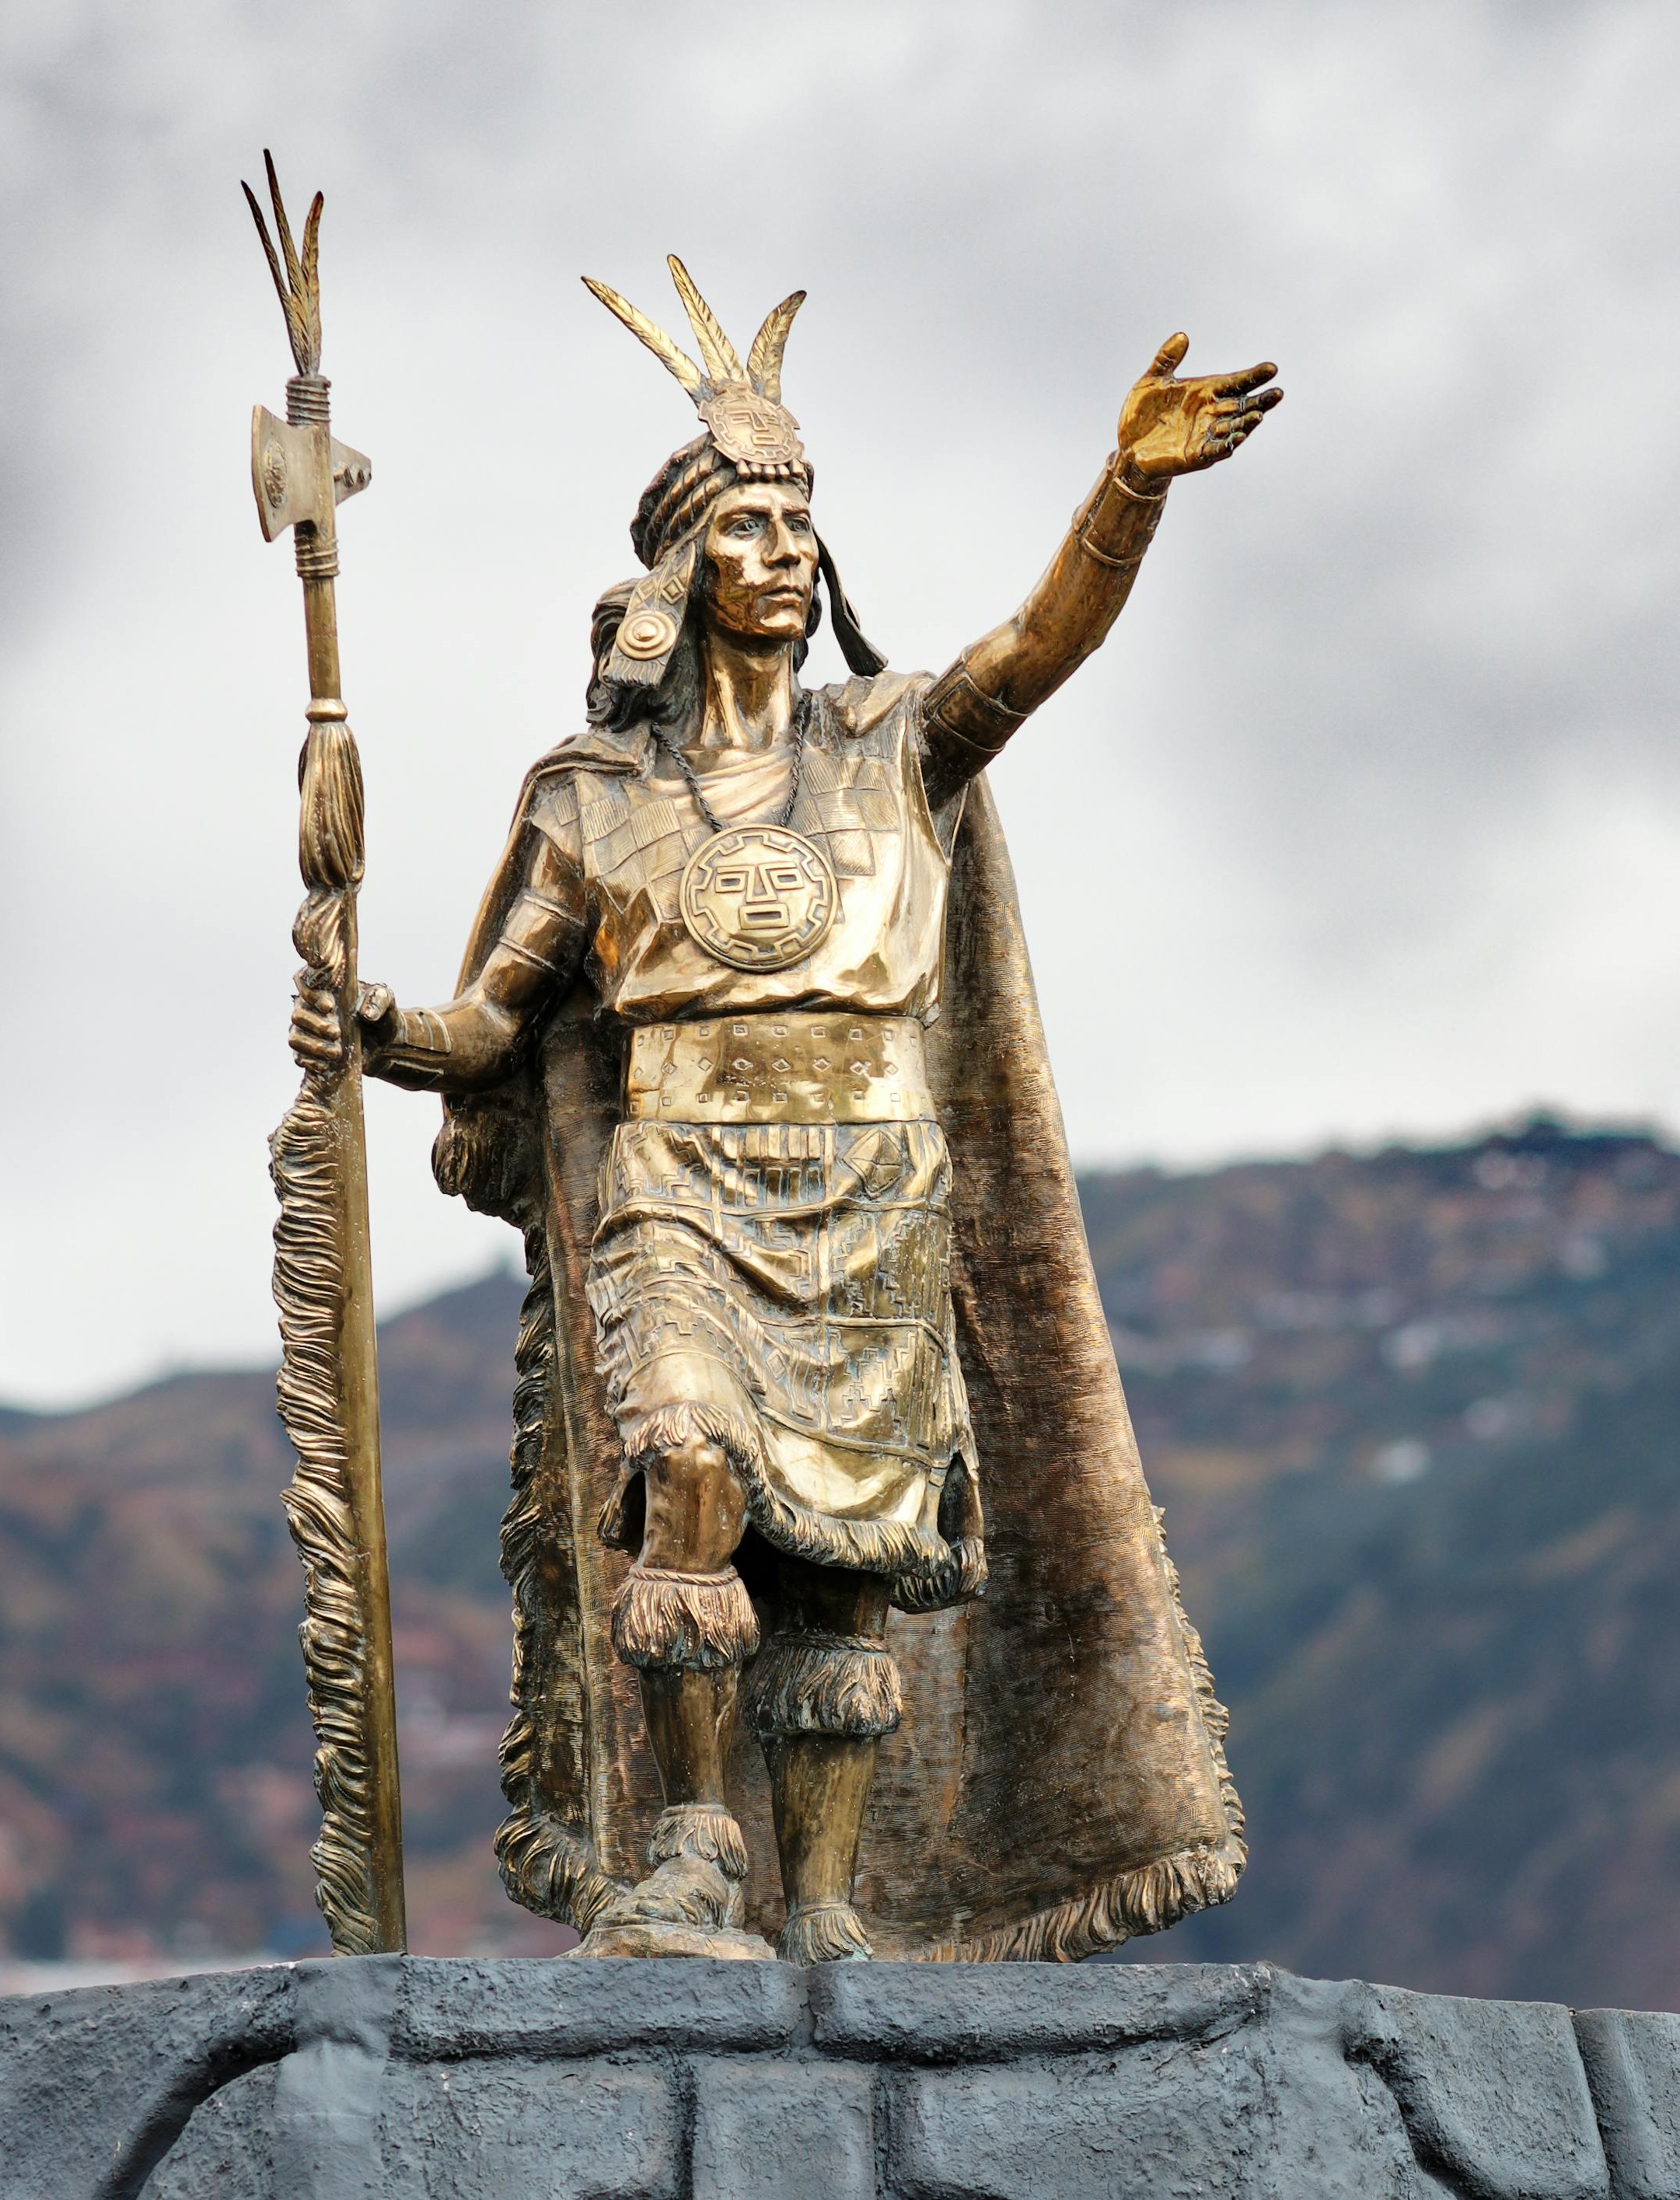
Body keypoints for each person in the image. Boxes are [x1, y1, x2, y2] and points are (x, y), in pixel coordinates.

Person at [304, 264, 1277, 1961]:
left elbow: (1037, 652)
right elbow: (495, 1024)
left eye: (799, 526)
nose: (784, 555)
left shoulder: (894, 743)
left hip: (872, 1177)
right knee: (686, 1465)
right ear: (676, 572)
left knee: (839, 1564)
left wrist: (1125, 491)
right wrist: (375, 1023)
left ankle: (822, 1903)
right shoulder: (591, 796)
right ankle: (687, 1856)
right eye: (746, 527)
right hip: (680, 1177)